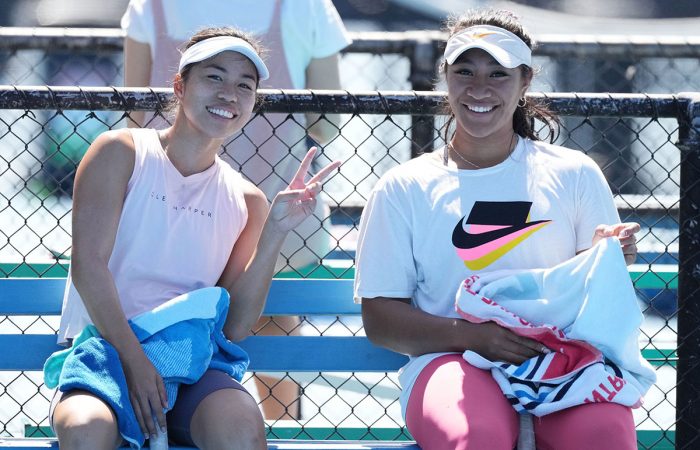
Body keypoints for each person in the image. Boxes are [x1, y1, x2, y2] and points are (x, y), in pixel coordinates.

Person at [354, 9, 641, 450]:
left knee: (604, 436)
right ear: (445, 77)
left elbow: (603, 296)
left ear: (525, 81)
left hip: (561, 362)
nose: (479, 88)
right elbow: (380, 320)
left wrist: (611, 259)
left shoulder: (575, 173)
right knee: (476, 437)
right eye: (465, 71)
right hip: (448, 362)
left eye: (498, 74)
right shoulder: (403, 187)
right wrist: (473, 337)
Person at [50, 27, 340, 449]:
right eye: (214, 77)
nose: (229, 94)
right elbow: (88, 267)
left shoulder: (249, 200)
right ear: (180, 86)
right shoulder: (118, 151)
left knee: (240, 425)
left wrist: (276, 228)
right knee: (86, 429)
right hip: (107, 357)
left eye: (245, 85)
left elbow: (237, 325)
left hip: (192, 366)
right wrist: (134, 361)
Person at [121, 0, 351, 419]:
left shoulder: (147, 7)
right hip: (280, 199)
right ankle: (281, 428)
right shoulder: (310, 7)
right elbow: (327, 121)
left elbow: (135, 112)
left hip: (165, 213)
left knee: (154, 328)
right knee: (275, 334)